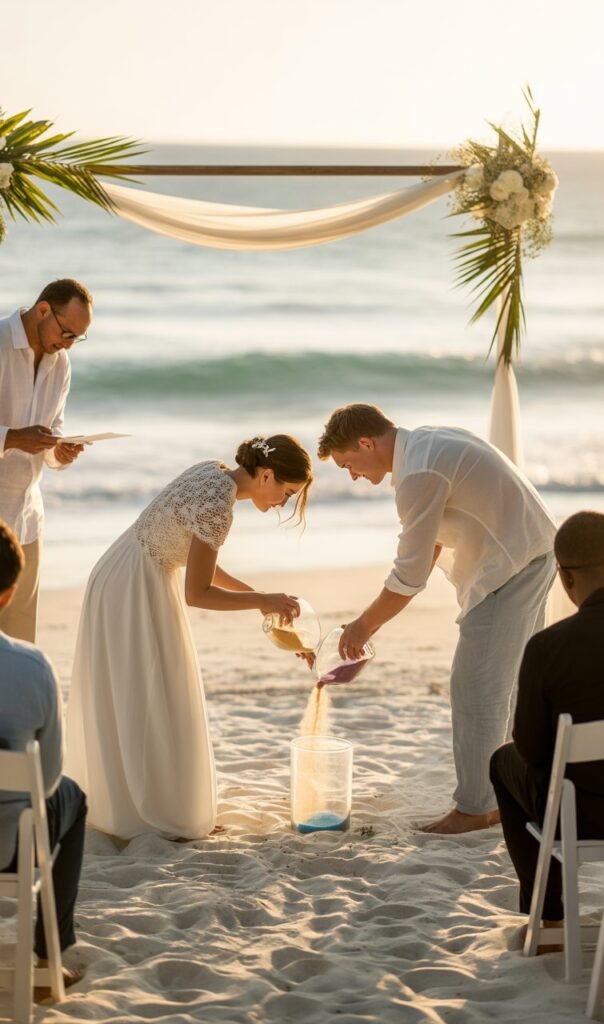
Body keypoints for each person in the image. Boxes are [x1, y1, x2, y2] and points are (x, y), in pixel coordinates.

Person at [317, 403, 556, 834]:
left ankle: (476, 808)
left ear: (366, 443)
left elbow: (409, 573)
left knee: (475, 688)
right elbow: (426, 550)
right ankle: (505, 797)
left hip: (512, 567)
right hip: (535, 551)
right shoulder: (426, 442)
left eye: (348, 463)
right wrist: (370, 621)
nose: (351, 475)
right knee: (506, 684)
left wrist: (364, 626)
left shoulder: (417, 474)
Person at [66, 435, 313, 841]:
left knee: (145, 693)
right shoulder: (219, 504)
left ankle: (148, 807)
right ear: (266, 474)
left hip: (124, 570)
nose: (283, 503)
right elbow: (198, 593)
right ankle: (158, 815)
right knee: (155, 694)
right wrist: (261, 600)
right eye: (286, 493)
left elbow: (203, 563)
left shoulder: (213, 472)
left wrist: (263, 602)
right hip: (135, 584)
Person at [490, 511, 604, 942]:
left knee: (504, 762)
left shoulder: (547, 649)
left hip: (585, 816)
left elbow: (533, 751)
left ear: (564, 577)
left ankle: (551, 919)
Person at [0, 520, 87, 998]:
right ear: (9, 594)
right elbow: (49, 778)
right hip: (10, 847)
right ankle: (45, 957)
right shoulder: (32, 667)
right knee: (73, 797)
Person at [0, 279, 92, 642]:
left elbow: (53, 434)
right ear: (42, 310)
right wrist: (15, 438)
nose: (68, 344)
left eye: (76, 338)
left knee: (21, 640)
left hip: (28, 519)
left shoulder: (61, 364)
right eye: (66, 332)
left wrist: (61, 451)